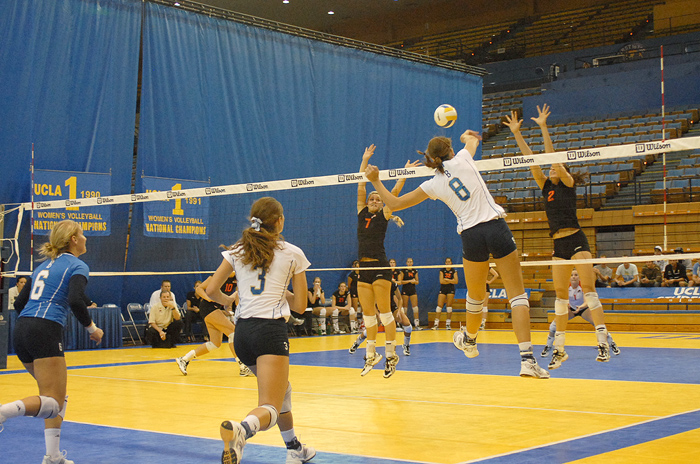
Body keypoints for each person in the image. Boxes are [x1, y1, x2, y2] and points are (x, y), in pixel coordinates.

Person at [365, 129, 549, 378]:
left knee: (475, 296)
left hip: (471, 235)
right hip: (495, 226)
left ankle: (470, 340)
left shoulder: (433, 183)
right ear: (450, 151)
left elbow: (395, 204)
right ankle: (527, 361)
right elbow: (473, 139)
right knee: (517, 296)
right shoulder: (463, 157)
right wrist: (466, 135)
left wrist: (375, 180)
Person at [208, 197, 314, 464]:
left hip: (241, 334)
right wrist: (282, 292)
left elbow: (211, 291)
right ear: (279, 222)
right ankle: (242, 430)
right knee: (271, 407)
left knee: (282, 392)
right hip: (269, 333)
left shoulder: (237, 250)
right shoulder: (292, 253)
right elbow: (301, 306)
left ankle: (294, 448)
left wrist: (230, 300)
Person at [505, 104, 612, 368]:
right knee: (561, 296)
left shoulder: (567, 183)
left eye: (556, 167)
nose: (551, 169)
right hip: (558, 244)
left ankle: (602, 343)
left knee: (589, 291)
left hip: (576, 239)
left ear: (563, 169)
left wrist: (543, 127)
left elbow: (551, 157)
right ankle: (560, 350)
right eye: (551, 169)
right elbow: (531, 159)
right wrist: (517, 133)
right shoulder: (544, 187)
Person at [0, 220, 104, 464]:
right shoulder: (78, 265)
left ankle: (53, 456)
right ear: (73, 240)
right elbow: (76, 301)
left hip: (23, 329)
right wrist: (93, 328)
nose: (86, 237)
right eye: (82, 233)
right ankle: (2, 412)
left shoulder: (43, 267)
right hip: (45, 330)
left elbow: (18, 304)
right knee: (53, 402)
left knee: (54, 397)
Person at [356, 144, 417, 378]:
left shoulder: (385, 213)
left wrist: (404, 172)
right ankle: (371, 354)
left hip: (380, 266)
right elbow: (361, 184)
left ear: (381, 203)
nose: (373, 199)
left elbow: (395, 192)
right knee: (368, 315)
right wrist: (364, 160)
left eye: (376, 199)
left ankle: (391, 355)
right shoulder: (361, 212)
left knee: (385, 313)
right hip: (363, 266)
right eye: (371, 198)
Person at [175, 272, 253, 377]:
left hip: (215, 309)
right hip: (208, 308)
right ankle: (242, 367)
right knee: (233, 332)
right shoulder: (218, 276)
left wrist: (238, 312)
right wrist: (208, 298)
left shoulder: (238, 277)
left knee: (215, 343)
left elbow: (236, 297)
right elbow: (199, 289)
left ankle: (184, 359)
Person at [541, 270, 620, 361]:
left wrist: (580, 307)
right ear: (569, 277)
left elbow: (587, 301)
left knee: (598, 325)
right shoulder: (566, 286)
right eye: (572, 275)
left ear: (579, 277)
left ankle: (612, 343)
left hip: (583, 308)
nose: (573, 277)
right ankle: (548, 346)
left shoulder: (583, 286)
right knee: (553, 326)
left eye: (576, 275)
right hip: (570, 309)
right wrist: (568, 306)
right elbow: (562, 300)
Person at [350, 281, 412, 356]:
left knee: (408, 326)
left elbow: (400, 299)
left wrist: (399, 310)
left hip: (391, 307)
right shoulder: (377, 285)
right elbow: (373, 304)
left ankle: (406, 345)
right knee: (373, 328)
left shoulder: (393, 284)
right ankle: (357, 343)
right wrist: (379, 314)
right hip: (378, 308)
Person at [433, 257, 458, 330]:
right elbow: (441, 281)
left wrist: (446, 279)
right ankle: (436, 324)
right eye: (446, 262)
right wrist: (451, 280)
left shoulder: (454, 271)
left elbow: (456, 281)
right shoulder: (442, 270)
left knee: (449, 306)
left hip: (450, 289)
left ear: (451, 263)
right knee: (439, 306)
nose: (447, 263)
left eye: (449, 262)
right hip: (443, 289)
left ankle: (448, 324)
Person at [399, 257, 421, 329]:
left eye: (411, 262)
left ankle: (417, 324)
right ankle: (405, 324)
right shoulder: (403, 271)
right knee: (405, 308)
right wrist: (409, 281)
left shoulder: (415, 271)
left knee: (415, 308)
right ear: (406, 263)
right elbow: (400, 282)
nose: (409, 263)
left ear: (412, 263)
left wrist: (414, 282)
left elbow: (417, 282)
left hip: (412, 290)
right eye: (408, 262)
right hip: (405, 290)